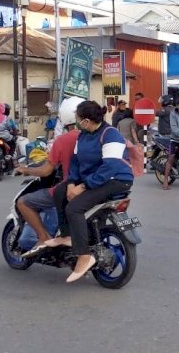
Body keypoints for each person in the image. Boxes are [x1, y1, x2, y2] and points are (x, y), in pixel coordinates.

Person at [49, 101, 134, 283]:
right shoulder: (83, 136)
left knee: (74, 209)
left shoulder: (111, 135)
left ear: (86, 121)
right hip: (93, 178)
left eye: (78, 120)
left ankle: (84, 255)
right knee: (59, 192)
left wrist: (83, 186)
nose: (77, 122)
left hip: (116, 180)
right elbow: (76, 161)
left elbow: (110, 167)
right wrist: (71, 182)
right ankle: (67, 235)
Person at [15, 97, 83, 258]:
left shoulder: (63, 140)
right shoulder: (96, 136)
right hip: (97, 186)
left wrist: (25, 170)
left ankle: (43, 237)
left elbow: (46, 171)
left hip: (70, 187)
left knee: (23, 202)